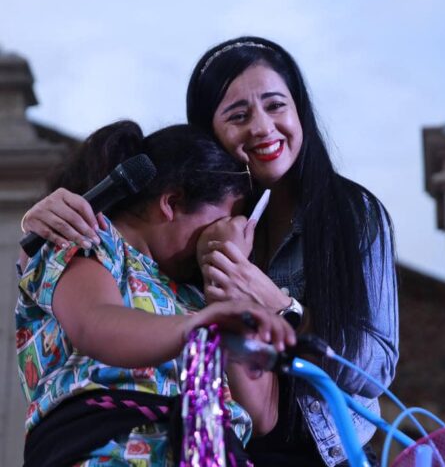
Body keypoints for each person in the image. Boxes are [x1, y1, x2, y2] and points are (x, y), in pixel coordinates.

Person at [21, 37, 398, 466]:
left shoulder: (352, 213)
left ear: (299, 111)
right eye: (238, 115)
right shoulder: (149, 253)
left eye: (276, 105)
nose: (261, 126)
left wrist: (278, 307)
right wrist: (217, 308)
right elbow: (96, 317)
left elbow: (377, 368)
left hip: (322, 448)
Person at [16, 120, 296, 467]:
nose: (235, 231)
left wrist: (230, 290)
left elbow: (262, 415)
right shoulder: (89, 241)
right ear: (172, 202)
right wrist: (198, 328)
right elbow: (96, 323)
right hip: (105, 450)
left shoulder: (199, 299)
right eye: (230, 216)